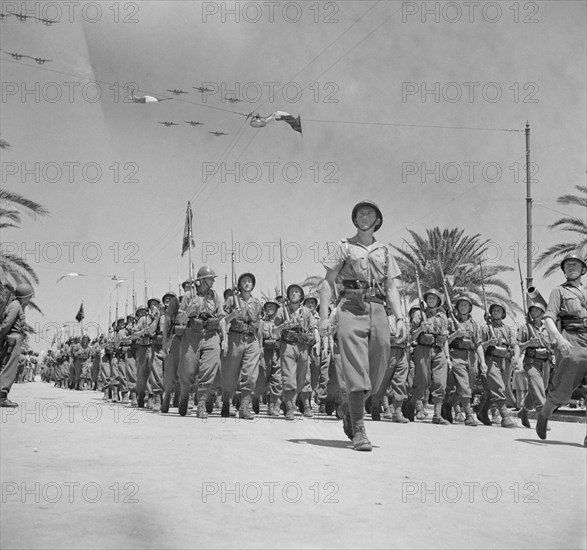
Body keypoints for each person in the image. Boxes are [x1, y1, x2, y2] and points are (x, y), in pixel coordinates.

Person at [318, 201, 405, 451]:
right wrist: (324, 318)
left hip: (377, 309)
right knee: (356, 371)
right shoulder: (343, 247)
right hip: (350, 307)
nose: (364, 216)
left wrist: (399, 318)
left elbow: (391, 288)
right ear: (355, 220)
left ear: (378, 220)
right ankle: (359, 430)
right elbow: (327, 283)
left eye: (369, 213)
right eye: (359, 213)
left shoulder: (385, 252)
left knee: (378, 372)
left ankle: (348, 406)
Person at [536, 252, 587, 445]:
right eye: (567, 265)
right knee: (564, 390)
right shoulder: (559, 291)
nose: (571, 267)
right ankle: (544, 414)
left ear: (583, 269)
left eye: (575, 264)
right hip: (571, 339)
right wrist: (558, 338)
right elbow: (548, 317)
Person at [176, 266, 224, 418]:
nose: (213, 281)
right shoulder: (189, 295)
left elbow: (221, 317)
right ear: (202, 280)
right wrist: (189, 310)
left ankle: (201, 403)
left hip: (211, 334)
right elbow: (180, 320)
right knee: (188, 369)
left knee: (209, 368)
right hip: (192, 335)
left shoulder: (215, 296)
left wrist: (225, 338)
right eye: (211, 278)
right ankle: (185, 394)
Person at [220, 273, 262, 419]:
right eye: (244, 281)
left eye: (250, 281)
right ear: (239, 284)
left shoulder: (257, 303)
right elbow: (222, 320)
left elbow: (259, 324)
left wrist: (260, 344)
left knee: (250, 375)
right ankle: (226, 403)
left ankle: (244, 407)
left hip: (251, 339)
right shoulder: (232, 300)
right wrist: (233, 314)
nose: (247, 283)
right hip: (235, 337)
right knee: (230, 374)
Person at [407, 289, 451, 425]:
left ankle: (437, 414)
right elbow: (410, 337)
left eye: (434, 298)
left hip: (439, 351)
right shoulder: (419, 315)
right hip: (423, 349)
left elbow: (445, 339)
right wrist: (420, 329)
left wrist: (448, 357)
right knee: (422, 382)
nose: (431, 300)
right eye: (429, 297)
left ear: (438, 301)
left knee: (441, 382)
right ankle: (410, 406)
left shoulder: (443, 317)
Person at [274, 284, 318, 421]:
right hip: (287, 345)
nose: (294, 294)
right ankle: (289, 406)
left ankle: (292, 401)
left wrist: (316, 343)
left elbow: (313, 328)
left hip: (303, 346)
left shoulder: (306, 312)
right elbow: (274, 330)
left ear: (301, 296)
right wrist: (283, 326)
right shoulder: (282, 311)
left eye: (297, 292)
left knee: (302, 377)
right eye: (292, 292)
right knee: (288, 376)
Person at [477, 302, 519, 428]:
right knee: (499, 387)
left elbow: (515, 345)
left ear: (503, 313)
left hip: (504, 360)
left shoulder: (508, 329)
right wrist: (487, 346)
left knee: (494, 391)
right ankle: (505, 417)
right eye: (494, 310)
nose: (496, 312)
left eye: (499, 310)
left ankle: (481, 411)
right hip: (491, 359)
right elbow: (479, 346)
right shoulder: (485, 328)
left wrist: (516, 357)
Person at [445, 295, 480, 426]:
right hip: (456, 355)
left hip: (470, 356)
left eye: (466, 305)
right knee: (464, 388)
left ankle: (447, 405)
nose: (463, 307)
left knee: (468, 388)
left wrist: (479, 361)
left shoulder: (475, 324)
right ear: (457, 307)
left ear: (470, 308)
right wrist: (455, 334)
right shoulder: (450, 321)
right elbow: (445, 341)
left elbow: (478, 344)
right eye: (461, 305)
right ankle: (469, 416)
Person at [0, 283, 34, 407]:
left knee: (8, 367)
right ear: (24, 296)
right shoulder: (16, 306)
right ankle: (2, 397)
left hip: (13, 339)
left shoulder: (17, 305)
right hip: (13, 339)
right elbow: (7, 324)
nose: (30, 299)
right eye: (29, 296)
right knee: (9, 368)